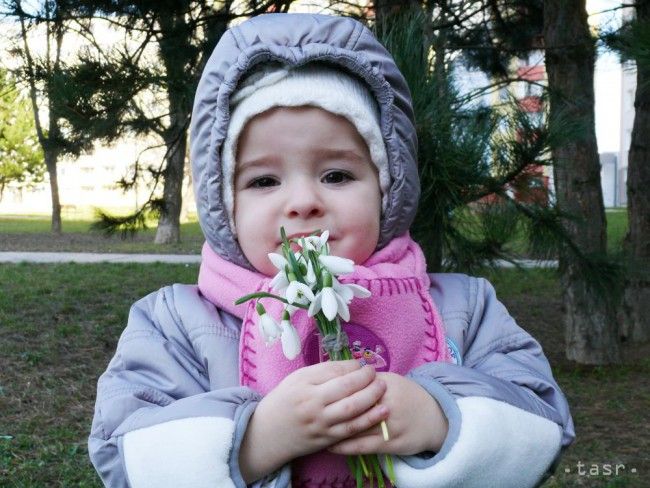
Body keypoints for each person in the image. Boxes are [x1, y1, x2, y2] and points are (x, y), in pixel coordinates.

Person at [88, 13, 574, 488]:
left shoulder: (465, 309)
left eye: (337, 175)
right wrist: (256, 440)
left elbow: (541, 424)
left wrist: (439, 417)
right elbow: (126, 454)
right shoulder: (175, 324)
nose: (303, 202)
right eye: (264, 180)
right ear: (223, 202)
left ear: (388, 187)